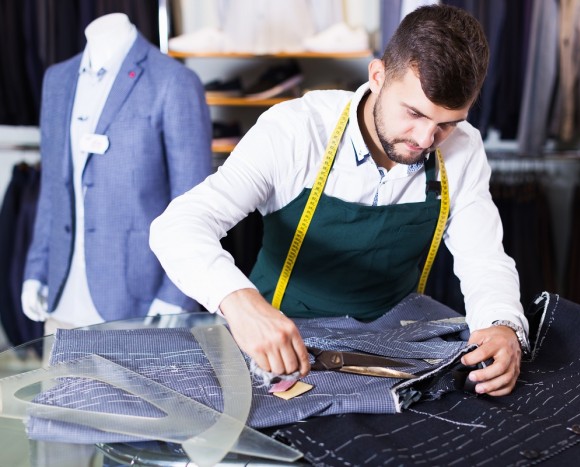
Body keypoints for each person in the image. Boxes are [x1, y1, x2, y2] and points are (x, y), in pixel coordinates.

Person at [151, 5, 528, 396]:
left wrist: (503, 325)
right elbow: (177, 226)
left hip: (393, 350)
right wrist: (241, 304)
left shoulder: (464, 150)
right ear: (378, 77)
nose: (425, 139)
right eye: (414, 113)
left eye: (447, 123)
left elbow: (484, 259)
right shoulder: (295, 131)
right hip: (282, 346)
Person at [22, 13, 212, 333]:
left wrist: (178, 294)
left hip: (140, 304)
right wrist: (36, 270)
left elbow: (193, 201)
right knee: (60, 384)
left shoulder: (172, 80)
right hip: (61, 296)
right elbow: (53, 189)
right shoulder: (57, 80)